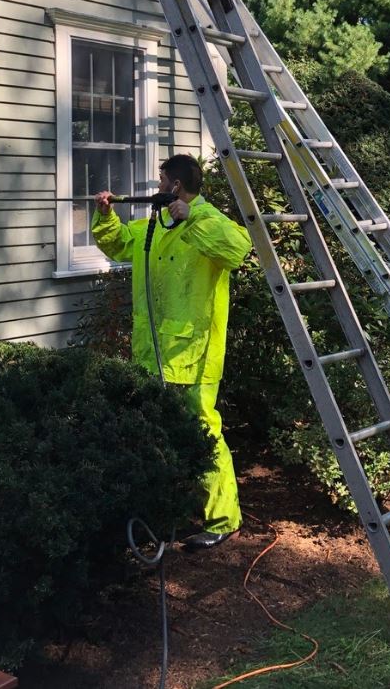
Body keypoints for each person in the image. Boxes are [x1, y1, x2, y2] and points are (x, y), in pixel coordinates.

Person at [92, 154, 252, 550]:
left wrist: (191, 218)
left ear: (175, 186)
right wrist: (107, 215)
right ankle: (169, 510)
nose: (157, 185)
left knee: (203, 433)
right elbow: (118, 244)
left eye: (161, 180)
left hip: (194, 355)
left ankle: (223, 518)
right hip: (155, 352)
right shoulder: (157, 225)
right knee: (157, 433)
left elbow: (238, 249)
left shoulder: (206, 220)